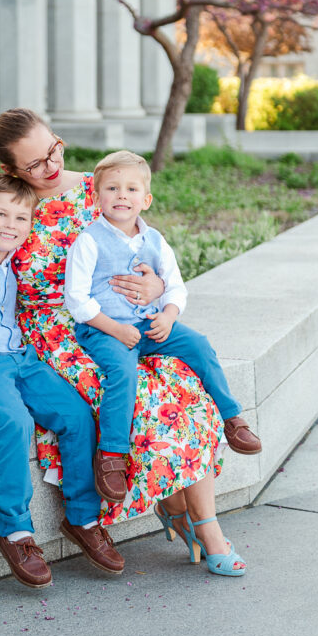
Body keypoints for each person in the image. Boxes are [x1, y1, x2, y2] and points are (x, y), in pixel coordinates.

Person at [0, 109, 248, 576]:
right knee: (138, 396)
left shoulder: (97, 188)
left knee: (183, 380)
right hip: (49, 334)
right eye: (34, 164)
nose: (50, 165)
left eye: (53, 148)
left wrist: (157, 288)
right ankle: (182, 521)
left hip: (117, 316)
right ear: (13, 171)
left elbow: (144, 242)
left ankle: (197, 519)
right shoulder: (9, 204)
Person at [0, 171, 125, 589]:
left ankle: (83, 518)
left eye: (21, 218)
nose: (11, 225)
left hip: (19, 357)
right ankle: (16, 531)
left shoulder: (6, 256)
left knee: (76, 413)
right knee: (14, 422)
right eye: (1, 214)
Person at [65, 149, 262, 506]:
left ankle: (232, 418)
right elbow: (77, 300)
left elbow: (175, 286)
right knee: (122, 372)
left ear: (146, 199)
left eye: (131, 189)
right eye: (111, 188)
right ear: (96, 198)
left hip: (151, 325)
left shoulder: (155, 240)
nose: (121, 195)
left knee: (198, 345)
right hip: (103, 329)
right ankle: (111, 454)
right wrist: (115, 329)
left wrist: (169, 316)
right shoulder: (89, 240)